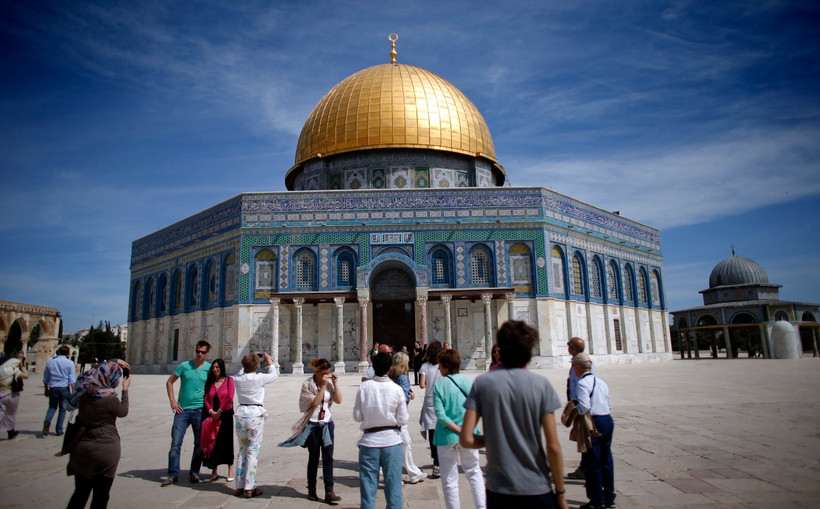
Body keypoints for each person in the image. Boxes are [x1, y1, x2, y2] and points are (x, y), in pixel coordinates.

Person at [461, 320, 568, 509]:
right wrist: (560, 493)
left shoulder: (482, 383)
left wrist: (492, 439)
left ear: (500, 349)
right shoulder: (541, 385)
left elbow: (466, 439)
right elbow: (553, 447)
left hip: (499, 491)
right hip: (537, 488)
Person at [65, 359, 131, 509]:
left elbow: (93, 372)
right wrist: (125, 391)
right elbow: (123, 411)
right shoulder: (109, 399)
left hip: (81, 447)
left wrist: (112, 361)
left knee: (80, 492)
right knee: (101, 495)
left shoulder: (83, 393)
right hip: (105, 450)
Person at [278, 358, 342, 504]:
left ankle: (329, 491)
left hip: (327, 423)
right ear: (317, 372)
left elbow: (338, 400)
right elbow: (314, 402)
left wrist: (335, 384)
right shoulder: (307, 384)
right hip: (312, 425)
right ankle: (312, 489)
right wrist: (324, 386)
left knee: (328, 457)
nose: (327, 375)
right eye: (325, 373)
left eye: (328, 372)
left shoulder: (329, 383)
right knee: (314, 457)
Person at [353, 352, 408, 509]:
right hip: (392, 442)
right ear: (390, 368)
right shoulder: (396, 389)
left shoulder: (364, 387)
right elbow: (403, 419)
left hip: (369, 442)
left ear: (373, 367)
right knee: (394, 485)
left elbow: (357, 416)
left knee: (368, 487)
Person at [433, 349, 486, 509]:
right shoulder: (469, 383)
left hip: (446, 438)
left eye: (440, 365)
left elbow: (441, 417)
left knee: (449, 480)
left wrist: (457, 430)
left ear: (445, 366)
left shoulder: (439, 386)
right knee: (474, 472)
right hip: (469, 436)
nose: (438, 369)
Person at [162, 340, 211, 486]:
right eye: (197, 351)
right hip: (182, 410)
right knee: (175, 443)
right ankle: (173, 474)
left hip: (199, 410)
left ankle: (194, 472)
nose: (199, 354)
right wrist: (172, 401)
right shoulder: (185, 365)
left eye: (202, 352)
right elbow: (169, 381)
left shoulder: (209, 368)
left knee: (199, 444)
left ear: (207, 353)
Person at [233, 351, 279, 498]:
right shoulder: (259, 378)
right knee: (253, 451)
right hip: (255, 415)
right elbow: (274, 375)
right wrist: (269, 362)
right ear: (257, 365)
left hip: (240, 415)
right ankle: (249, 486)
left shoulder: (238, 378)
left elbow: (242, 370)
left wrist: (250, 357)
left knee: (242, 451)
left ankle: (239, 486)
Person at [573, 353, 615, 509]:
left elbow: (584, 407)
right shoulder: (602, 382)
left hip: (594, 423)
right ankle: (609, 497)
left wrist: (575, 410)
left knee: (592, 462)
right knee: (606, 461)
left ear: (578, 366)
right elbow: (609, 404)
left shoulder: (582, 384)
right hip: (607, 420)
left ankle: (596, 501)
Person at [388, 351, 424, 484]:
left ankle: (413, 473)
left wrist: (409, 392)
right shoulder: (403, 377)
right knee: (405, 443)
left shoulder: (391, 375)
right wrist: (409, 395)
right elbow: (402, 397)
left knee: (404, 443)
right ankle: (409, 473)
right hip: (400, 415)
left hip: (392, 414)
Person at [201, 358, 235, 483]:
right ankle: (214, 471)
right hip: (212, 416)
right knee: (212, 442)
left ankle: (230, 470)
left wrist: (219, 412)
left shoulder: (229, 380)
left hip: (225, 415)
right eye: (213, 367)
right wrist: (211, 411)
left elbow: (230, 397)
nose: (215, 369)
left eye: (217, 367)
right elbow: (205, 399)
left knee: (227, 442)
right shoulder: (210, 383)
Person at [566, 336, 595, 480]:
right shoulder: (578, 361)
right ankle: (585, 467)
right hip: (580, 404)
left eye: (569, 345)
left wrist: (579, 409)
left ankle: (587, 469)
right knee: (584, 439)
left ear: (572, 348)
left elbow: (586, 385)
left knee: (587, 439)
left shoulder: (582, 362)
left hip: (583, 407)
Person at [418, 340, 443, 478]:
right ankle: (443, 461)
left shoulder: (425, 366)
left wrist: (430, 381)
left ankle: (436, 463)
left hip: (430, 400)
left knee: (432, 433)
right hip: (442, 400)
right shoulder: (443, 366)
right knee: (443, 431)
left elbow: (422, 385)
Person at [43, 345, 76, 437]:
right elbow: (71, 380)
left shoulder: (50, 362)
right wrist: (74, 392)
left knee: (52, 407)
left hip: (53, 388)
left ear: (59, 352)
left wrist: (46, 389)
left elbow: (46, 378)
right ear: (68, 353)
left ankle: (47, 420)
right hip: (64, 389)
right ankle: (59, 430)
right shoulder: (70, 363)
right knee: (62, 409)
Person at [0, 349, 28, 439]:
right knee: (11, 413)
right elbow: (26, 375)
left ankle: (11, 431)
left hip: (1, 392)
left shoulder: (2, 369)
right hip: (12, 394)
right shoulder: (14, 370)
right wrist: (22, 366)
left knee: (1, 412)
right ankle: (10, 431)